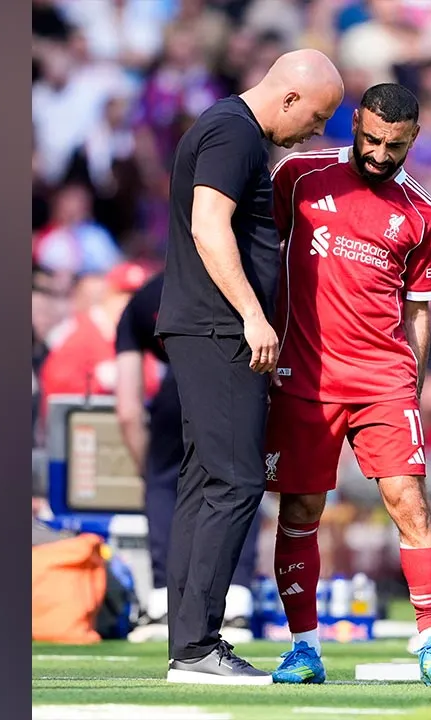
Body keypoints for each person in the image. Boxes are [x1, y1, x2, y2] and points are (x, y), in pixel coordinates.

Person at [262, 83, 431, 687]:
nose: (378, 154)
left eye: (393, 146)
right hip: (304, 376)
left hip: (383, 381)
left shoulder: (424, 214)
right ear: (355, 124)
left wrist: (411, 385)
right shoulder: (297, 175)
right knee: (300, 509)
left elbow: (420, 310)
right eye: (371, 139)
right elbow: (258, 252)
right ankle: (303, 648)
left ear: (413, 140)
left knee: (410, 504)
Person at [155, 49, 344, 685]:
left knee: (203, 482)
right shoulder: (236, 132)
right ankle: (199, 647)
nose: (316, 131)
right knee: (235, 483)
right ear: (289, 98)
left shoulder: (225, 129)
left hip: (203, 325)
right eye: (316, 117)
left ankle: (187, 641)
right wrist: (252, 316)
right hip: (219, 328)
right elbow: (211, 226)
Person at [114, 269, 263, 644]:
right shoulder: (248, 276)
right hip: (235, 381)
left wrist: (149, 476)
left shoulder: (145, 297)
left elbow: (128, 410)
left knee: (170, 487)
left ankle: (165, 598)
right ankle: (237, 598)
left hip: (175, 392)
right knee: (239, 481)